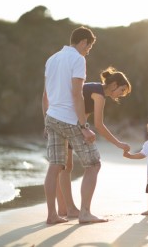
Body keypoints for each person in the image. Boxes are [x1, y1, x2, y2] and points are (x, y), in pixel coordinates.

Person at [42, 26, 106, 224]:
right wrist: (84, 126)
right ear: (83, 42)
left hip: (51, 117)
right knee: (94, 163)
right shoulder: (78, 59)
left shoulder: (52, 59)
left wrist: (46, 121)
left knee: (55, 166)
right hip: (69, 119)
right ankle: (85, 213)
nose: (88, 51)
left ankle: (52, 215)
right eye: (89, 47)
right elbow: (77, 94)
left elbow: (45, 96)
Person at [56, 67, 132, 218]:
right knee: (94, 164)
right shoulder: (99, 95)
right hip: (70, 124)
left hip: (59, 121)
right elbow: (99, 125)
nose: (122, 95)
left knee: (64, 167)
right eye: (122, 90)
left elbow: (83, 113)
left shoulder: (93, 88)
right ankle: (83, 212)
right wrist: (119, 144)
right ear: (114, 84)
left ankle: (66, 209)